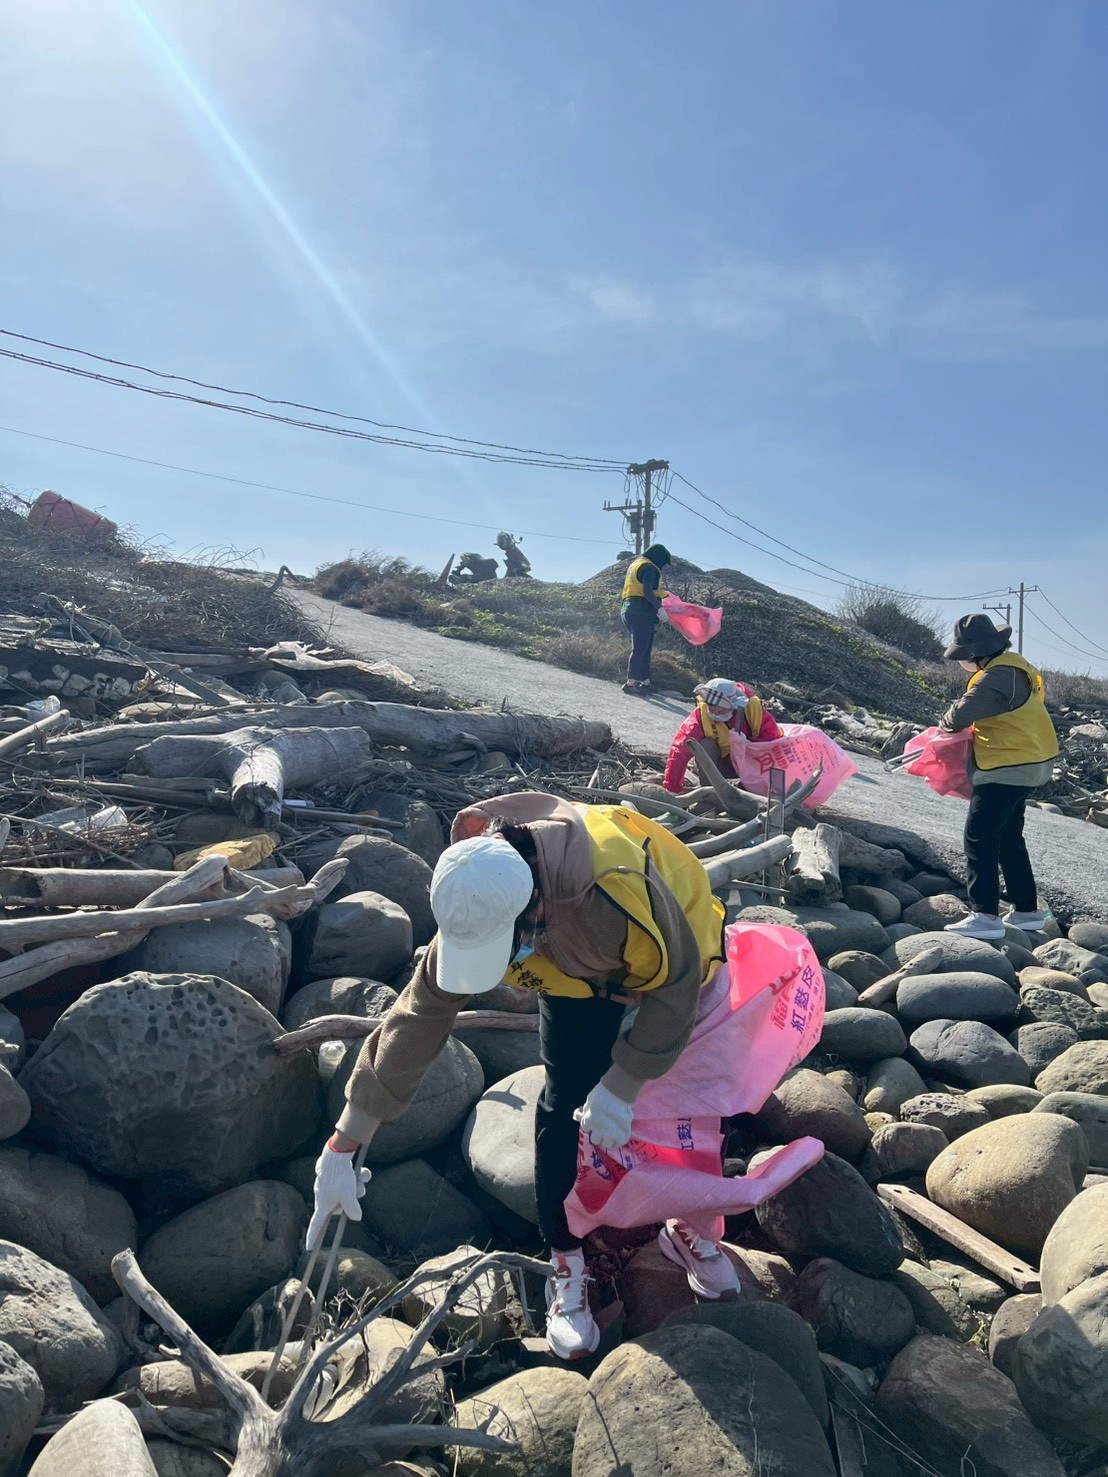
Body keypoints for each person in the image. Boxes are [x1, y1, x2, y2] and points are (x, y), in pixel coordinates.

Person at [307, 791, 738, 1360]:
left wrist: (624, 1084)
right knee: (566, 1106)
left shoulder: (619, 894)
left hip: (671, 954)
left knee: (691, 1099)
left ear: (533, 908)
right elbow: (418, 1016)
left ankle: (690, 1228)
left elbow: (676, 984)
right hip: (577, 975)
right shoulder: (478, 890)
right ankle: (566, 1259)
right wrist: (344, 1143)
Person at [938, 614, 1058, 939]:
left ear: (975, 653)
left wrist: (944, 722)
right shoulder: (1020, 667)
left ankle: (985, 916)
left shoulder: (996, 677)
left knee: (979, 837)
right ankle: (1027, 911)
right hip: (1031, 761)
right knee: (1008, 837)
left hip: (1007, 766)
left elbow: (958, 717)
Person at [664, 678, 784, 792]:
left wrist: (749, 745)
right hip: (720, 767)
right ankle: (711, 794)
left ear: (734, 706)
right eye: (712, 709)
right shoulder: (700, 717)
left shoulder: (752, 708)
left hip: (753, 766)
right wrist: (672, 788)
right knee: (706, 745)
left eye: (721, 711)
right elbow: (679, 751)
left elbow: (773, 739)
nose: (716, 714)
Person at [620, 543, 671, 693]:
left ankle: (645, 682)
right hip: (640, 612)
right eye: (664, 563)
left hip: (630, 610)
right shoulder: (650, 568)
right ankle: (630, 683)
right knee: (640, 648)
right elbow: (647, 590)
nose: (663, 567)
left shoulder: (637, 564)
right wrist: (659, 608)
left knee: (645, 647)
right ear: (659, 558)